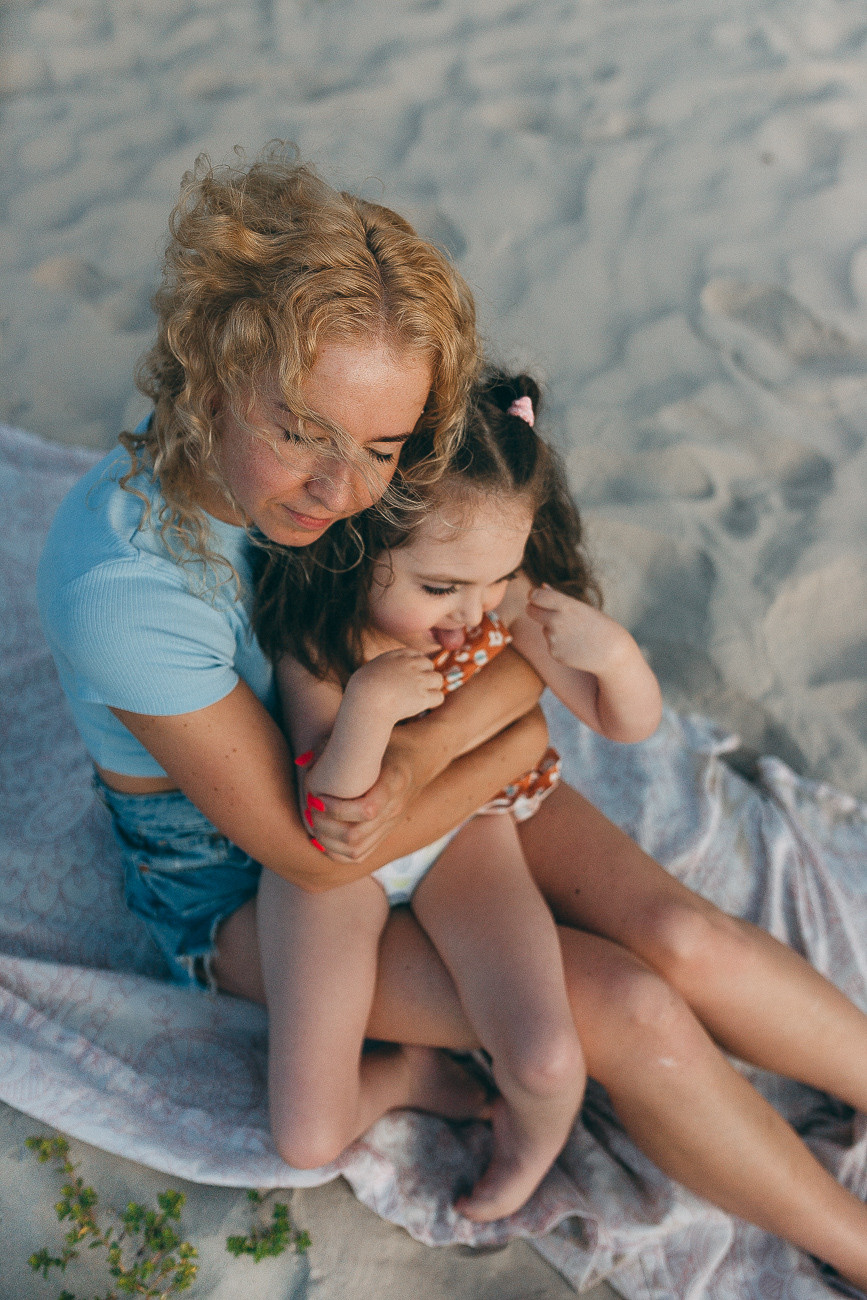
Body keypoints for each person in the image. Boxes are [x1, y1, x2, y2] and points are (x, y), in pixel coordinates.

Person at [34, 144, 867, 1288]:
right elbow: (315, 850)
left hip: (429, 778)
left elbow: (510, 620)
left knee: (685, 936)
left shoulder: (358, 446)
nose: (343, 493)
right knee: (625, 1003)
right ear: (212, 365)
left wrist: (498, 725)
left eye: (380, 447)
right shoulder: (126, 588)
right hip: (260, 874)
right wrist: (510, 744)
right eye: (302, 434)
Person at [252, 368, 663, 1222]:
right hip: (335, 882)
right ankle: (407, 1073)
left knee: (546, 1059)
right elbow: (331, 825)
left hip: (463, 835)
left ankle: (524, 1145)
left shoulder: (494, 599)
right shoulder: (319, 642)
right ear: (357, 545)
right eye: (439, 588)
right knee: (306, 1139)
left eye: (495, 579)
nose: (472, 617)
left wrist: (615, 658)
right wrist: (367, 709)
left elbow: (618, 723)